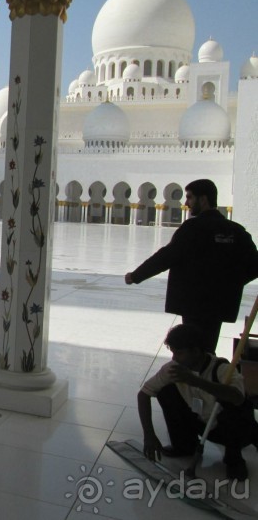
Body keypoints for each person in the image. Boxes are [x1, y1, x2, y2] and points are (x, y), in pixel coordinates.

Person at [125, 179, 258, 353]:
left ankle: (196, 377)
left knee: (193, 348)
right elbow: (254, 264)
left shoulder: (193, 228)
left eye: (189, 197)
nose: (186, 203)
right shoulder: (236, 231)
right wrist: (230, 283)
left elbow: (167, 256)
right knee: (208, 346)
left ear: (203, 199)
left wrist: (136, 276)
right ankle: (206, 373)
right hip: (219, 303)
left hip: (193, 301)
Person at [138, 324, 258, 480]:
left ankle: (234, 460)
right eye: (173, 352)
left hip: (233, 429)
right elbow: (143, 394)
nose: (174, 358)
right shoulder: (174, 369)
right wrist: (149, 435)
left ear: (196, 351)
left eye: (179, 353)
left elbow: (238, 398)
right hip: (201, 422)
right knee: (165, 391)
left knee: (231, 403)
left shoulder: (222, 369)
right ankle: (184, 446)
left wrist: (195, 381)